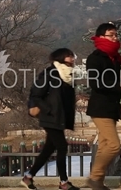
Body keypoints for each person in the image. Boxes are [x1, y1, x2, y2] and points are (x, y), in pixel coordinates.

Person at [85, 22, 121, 190]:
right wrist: (119, 86)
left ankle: (97, 182)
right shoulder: (95, 58)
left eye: (116, 35)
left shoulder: (114, 58)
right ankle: (93, 178)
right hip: (100, 108)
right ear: (101, 37)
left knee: (105, 145)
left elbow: (111, 82)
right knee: (114, 146)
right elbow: (95, 83)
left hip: (112, 106)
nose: (115, 38)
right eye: (111, 35)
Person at [21, 48, 80, 190]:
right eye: (68, 56)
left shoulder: (68, 75)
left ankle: (28, 177)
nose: (72, 58)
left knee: (48, 149)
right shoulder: (49, 73)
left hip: (59, 117)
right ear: (60, 58)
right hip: (50, 116)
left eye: (72, 56)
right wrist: (48, 109)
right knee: (62, 147)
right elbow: (35, 95)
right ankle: (63, 182)